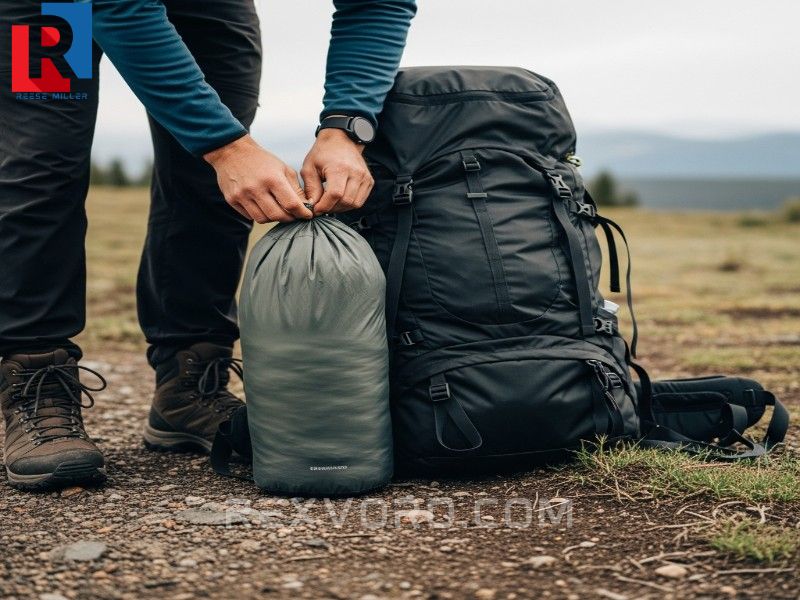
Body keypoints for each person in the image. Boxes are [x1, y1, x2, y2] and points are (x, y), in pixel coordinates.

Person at [0, 0, 416, 490]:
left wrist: (346, 130)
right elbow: (118, 6)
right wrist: (227, 146)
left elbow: (378, 4)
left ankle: (189, 384)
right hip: (59, 9)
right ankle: (37, 375)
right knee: (43, 169)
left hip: (209, 9)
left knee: (209, 182)